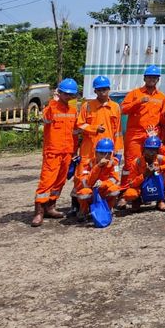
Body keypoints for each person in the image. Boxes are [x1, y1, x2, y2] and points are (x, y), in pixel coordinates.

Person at [32, 78, 80, 227]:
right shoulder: (51, 107)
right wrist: (53, 102)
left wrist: (75, 150)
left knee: (60, 181)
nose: (68, 96)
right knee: (46, 181)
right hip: (53, 151)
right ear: (59, 92)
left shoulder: (73, 110)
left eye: (70, 94)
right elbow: (45, 119)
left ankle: (50, 206)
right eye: (65, 93)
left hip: (67, 152)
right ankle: (39, 211)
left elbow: (76, 131)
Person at [121, 65, 165, 165]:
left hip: (152, 135)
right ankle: (129, 181)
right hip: (135, 135)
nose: (152, 79)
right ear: (144, 78)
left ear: (158, 79)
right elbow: (123, 110)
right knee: (132, 163)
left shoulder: (162, 97)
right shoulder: (134, 93)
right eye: (149, 77)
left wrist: (161, 137)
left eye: (154, 77)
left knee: (152, 164)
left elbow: (163, 120)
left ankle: (147, 181)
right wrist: (138, 102)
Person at [76, 75, 122, 166]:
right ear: (95, 91)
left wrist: (118, 150)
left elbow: (118, 131)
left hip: (107, 149)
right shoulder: (87, 106)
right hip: (89, 150)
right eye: (99, 90)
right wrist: (94, 129)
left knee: (105, 177)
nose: (102, 92)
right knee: (84, 177)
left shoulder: (115, 107)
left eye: (104, 89)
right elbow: (80, 124)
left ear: (109, 89)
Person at [121, 135, 165, 212]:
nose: (151, 153)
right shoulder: (136, 162)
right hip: (141, 187)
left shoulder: (160, 159)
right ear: (144, 149)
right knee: (130, 194)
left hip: (156, 185)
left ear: (157, 151)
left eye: (154, 150)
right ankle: (137, 201)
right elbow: (132, 184)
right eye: (148, 149)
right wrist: (144, 175)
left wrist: (160, 168)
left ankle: (160, 201)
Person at [73, 136, 121, 222]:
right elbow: (86, 182)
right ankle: (84, 211)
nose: (105, 157)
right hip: (91, 193)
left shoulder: (114, 163)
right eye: (101, 153)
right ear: (96, 153)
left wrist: (102, 184)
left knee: (115, 189)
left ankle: (108, 209)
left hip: (104, 191)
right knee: (84, 192)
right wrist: (98, 166)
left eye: (108, 154)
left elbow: (115, 179)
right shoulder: (88, 164)